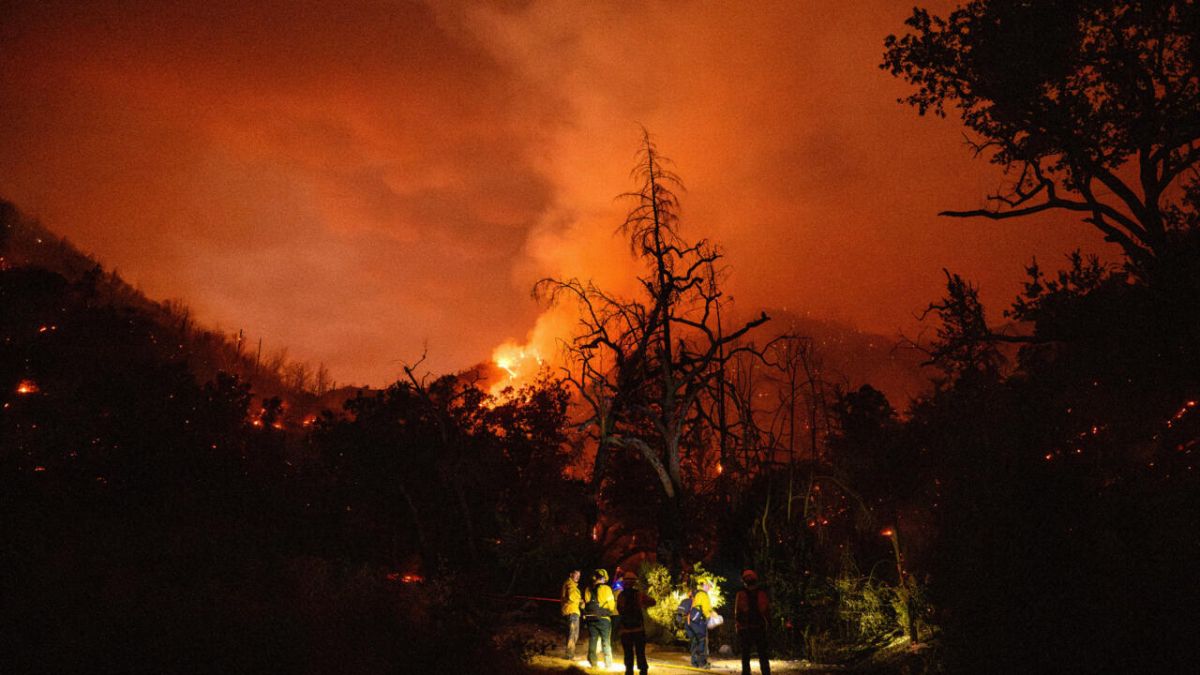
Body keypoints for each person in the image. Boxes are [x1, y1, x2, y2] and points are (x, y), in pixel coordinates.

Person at [615, 570, 657, 675]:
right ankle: (643, 670)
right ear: (634, 582)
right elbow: (653, 602)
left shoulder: (621, 596)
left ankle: (629, 671)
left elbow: (619, 609)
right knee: (640, 652)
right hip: (638, 629)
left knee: (628, 653)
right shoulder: (639, 594)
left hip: (625, 630)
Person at [734, 569, 770, 675]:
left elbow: (738, 612)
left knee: (748, 655)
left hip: (750, 628)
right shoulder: (760, 593)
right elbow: (766, 610)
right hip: (754, 627)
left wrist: (738, 626)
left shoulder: (742, 593)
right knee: (760, 655)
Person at [582, 568, 616, 669]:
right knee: (605, 641)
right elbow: (611, 605)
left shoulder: (588, 589)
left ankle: (593, 663)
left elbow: (587, 603)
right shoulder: (606, 589)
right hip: (604, 619)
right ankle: (608, 664)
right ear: (604, 578)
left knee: (593, 640)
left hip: (591, 619)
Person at [677, 577, 713, 668]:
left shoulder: (695, 594)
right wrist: (709, 619)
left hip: (690, 621)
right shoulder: (703, 594)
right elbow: (705, 609)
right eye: (708, 586)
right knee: (701, 641)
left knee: (694, 641)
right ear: (704, 585)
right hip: (698, 621)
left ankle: (694, 662)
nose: (709, 588)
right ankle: (702, 663)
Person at [561, 569, 583, 660]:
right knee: (572, 634)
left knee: (574, 634)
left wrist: (580, 602)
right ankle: (569, 656)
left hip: (573, 611)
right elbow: (571, 597)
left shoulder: (573, 585)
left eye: (579, 575)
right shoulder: (570, 584)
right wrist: (580, 600)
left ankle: (570, 654)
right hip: (571, 611)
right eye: (576, 574)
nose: (578, 577)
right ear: (571, 574)